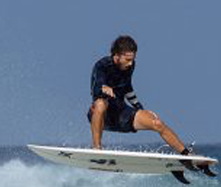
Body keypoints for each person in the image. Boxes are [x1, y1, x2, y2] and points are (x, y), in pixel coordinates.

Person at [88, 35, 213, 176]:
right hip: (102, 116)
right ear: (116, 56)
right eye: (128, 59)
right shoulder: (101, 65)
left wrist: (139, 108)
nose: (130, 63)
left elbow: (127, 88)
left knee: (156, 122)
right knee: (99, 104)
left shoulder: (130, 66)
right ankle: (97, 149)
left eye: (133, 59)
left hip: (121, 113)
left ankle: (185, 155)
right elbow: (95, 89)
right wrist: (103, 89)